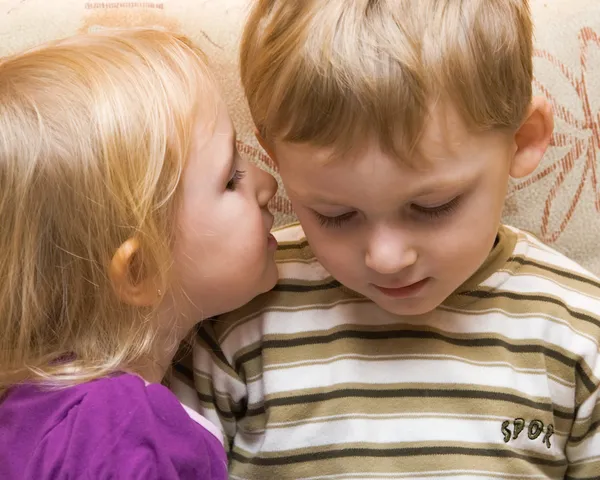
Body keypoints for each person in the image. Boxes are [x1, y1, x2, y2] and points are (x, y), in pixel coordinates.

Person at [173, 0, 600, 478]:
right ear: (275, 158)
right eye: (335, 214)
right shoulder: (237, 318)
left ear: (522, 139)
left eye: (432, 206)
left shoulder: (582, 338)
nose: (386, 257)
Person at [0, 28, 278, 479]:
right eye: (230, 178)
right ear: (141, 270)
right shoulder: (113, 431)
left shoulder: (33, 416)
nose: (267, 183)